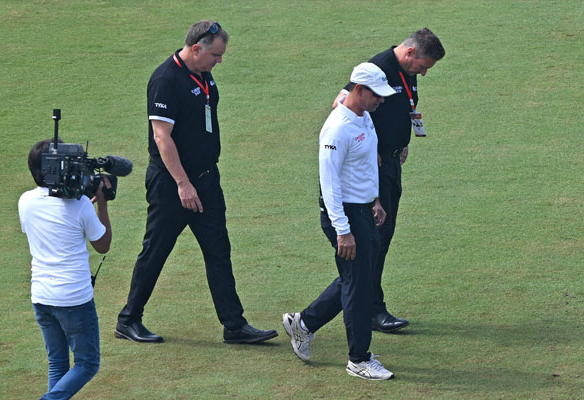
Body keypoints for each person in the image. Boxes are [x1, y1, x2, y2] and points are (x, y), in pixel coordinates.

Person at [115, 20, 277, 344]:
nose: (219, 61)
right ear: (195, 48)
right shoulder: (165, 80)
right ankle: (128, 320)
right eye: (216, 55)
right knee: (156, 251)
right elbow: (162, 138)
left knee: (219, 250)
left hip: (206, 181)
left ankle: (234, 325)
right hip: (173, 185)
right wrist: (183, 184)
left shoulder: (203, 75)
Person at [283, 63, 395, 380]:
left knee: (357, 276)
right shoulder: (337, 129)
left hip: (362, 209)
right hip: (344, 215)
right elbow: (329, 184)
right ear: (359, 90)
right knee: (359, 287)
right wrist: (343, 231)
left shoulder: (364, 115)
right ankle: (358, 359)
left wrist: (374, 199)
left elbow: (368, 161)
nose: (381, 101)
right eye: (377, 95)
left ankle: (303, 323)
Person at [332, 28, 445, 333]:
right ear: (410, 53)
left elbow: (402, 108)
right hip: (375, 168)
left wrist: (401, 141)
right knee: (374, 239)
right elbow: (341, 105)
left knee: (383, 236)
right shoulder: (379, 67)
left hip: (391, 162)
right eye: (422, 66)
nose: (422, 72)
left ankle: (365, 304)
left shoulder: (406, 71)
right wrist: (370, 146)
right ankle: (369, 308)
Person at [18, 139, 112, 399]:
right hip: (73, 299)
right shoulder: (81, 205)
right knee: (87, 363)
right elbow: (102, 244)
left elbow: (57, 224)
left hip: (42, 297)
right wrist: (101, 204)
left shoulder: (25, 201)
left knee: (58, 363)